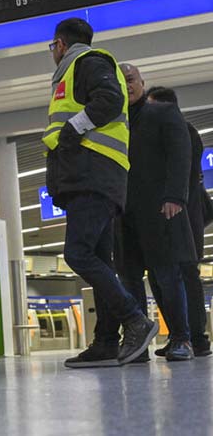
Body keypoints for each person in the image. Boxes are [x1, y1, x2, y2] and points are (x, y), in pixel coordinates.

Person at [42, 18, 156, 368]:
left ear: (60, 44)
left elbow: (109, 97)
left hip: (92, 175)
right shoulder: (75, 70)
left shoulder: (87, 62)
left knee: (77, 253)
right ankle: (106, 341)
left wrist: (72, 132)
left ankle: (135, 320)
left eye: (52, 47)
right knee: (100, 258)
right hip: (91, 176)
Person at [115, 65, 195, 362]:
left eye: (131, 80)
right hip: (123, 212)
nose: (126, 87)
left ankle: (181, 339)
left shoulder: (162, 113)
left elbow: (180, 152)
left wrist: (175, 196)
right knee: (130, 278)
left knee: (167, 276)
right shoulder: (113, 123)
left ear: (142, 83)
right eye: (119, 83)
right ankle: (138, 345)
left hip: (159, 209)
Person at [147, 85, 211, 357]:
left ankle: (195, 338)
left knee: (186, 276)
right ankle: (180, 335)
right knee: (166, 277)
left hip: (183, 218)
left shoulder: (182, 131)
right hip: (179, 218)